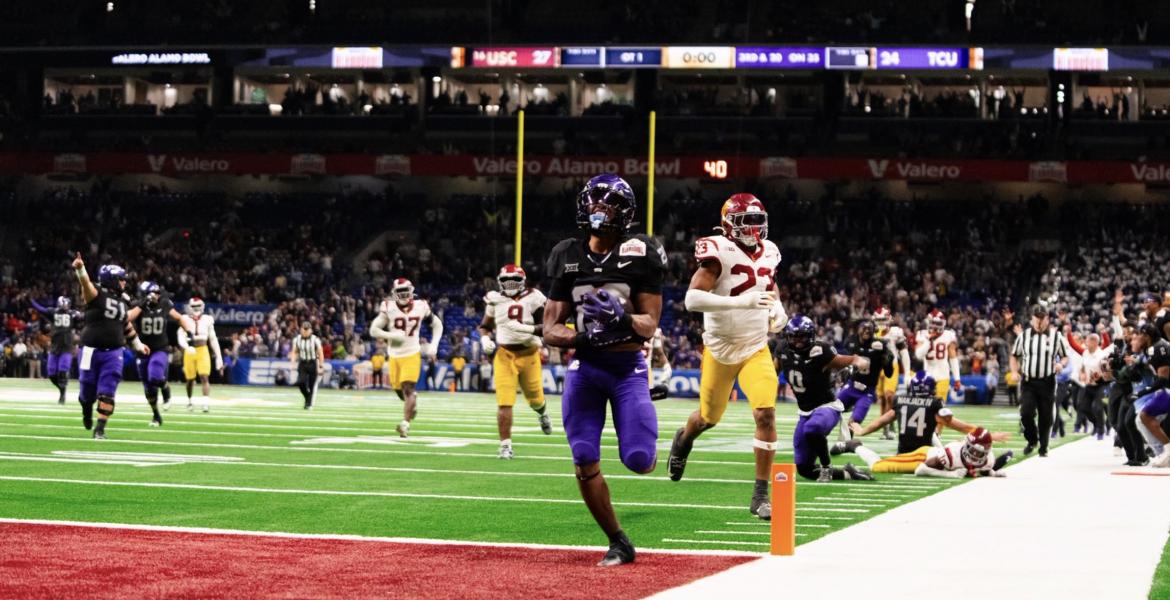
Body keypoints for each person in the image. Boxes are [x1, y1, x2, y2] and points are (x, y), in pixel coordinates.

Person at [541, 173, 666, 566]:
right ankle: (618, 540)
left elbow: (650, 323)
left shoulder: (641, 251)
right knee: (582, 456)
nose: (599, 209)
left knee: (640, 460)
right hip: (586, 367)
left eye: (608, 202)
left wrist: (622, 318)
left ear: (624, 211)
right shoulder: (567, 253)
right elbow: (548, 329)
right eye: (594, 200)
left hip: (628, 367)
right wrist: (583, 338)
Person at [667, 193, 786, 521]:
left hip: (755, 347)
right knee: (708, 418)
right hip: (719, 349)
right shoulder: (718, 251)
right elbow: (692, 299)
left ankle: (760, 494)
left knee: (765, 415)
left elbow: (769, 287)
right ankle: (684, 438)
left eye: (757, 221)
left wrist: (778, 309)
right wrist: (742, 303)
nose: (753, 228)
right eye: (746, 221)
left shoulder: (771, 250)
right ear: (729, 224)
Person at [776, 315, 874, 483]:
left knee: (813, 429)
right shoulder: (783, 349)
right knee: (804, 469)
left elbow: (856, 360)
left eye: (802, 336)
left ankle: (826, 467)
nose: (797, 341)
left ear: (811, 335)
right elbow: (771, 372)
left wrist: (857, 364)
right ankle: (847, 473)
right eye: (793, 336)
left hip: (827, 407)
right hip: (805, 411)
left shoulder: (821, 351)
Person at [840, 371, 1011, 462]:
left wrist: (862, 431)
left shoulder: (901, 400)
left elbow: (882, 421)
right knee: (954, 458)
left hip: (902, 455)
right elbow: (962, 427)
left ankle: (855, 445)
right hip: (925, 456)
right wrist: (989, 436)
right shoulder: (934, 404)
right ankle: (855, 447)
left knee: (937, 439)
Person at [71, 253, 150, 440]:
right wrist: (80, 269)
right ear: (112, 280)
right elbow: (86, 285)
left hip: (113, 352)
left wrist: (138, 344)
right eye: (121, 279)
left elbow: (125, 324)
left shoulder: (122, 301)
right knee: (87, 391)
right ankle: (86, 411)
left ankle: (100, 429)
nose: (124, 282)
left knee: (108, 389)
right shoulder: (96, 294)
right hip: (90, 350)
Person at [479, 263, 552, 459]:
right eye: (506, 281)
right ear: (499, 282)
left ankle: (542, 414)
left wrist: (526, 330)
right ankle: (505, 446)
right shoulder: (494, 299)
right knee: (504, 403)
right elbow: (485, 326)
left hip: (529, 354)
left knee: (536, 399)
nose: (510, 285)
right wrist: (485, 338)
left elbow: (547, 327)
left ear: (523, 281)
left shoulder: (534, 297)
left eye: (514, 281)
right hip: (504, 356)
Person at [369, 278, 443, 438]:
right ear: (394, 294)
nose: (403, 296)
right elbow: (374, 330)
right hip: (394, 355)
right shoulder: (388, 307)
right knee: (400, 391)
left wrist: (434, 345)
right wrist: (392, 335)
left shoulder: (421, 306)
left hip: (412, 353)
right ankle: (412, 403)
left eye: (405, 292)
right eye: (399, 292)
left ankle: (405, 424)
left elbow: (437, 324)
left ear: (411, 292)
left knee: (408, 388)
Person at [127, 281, 194, 426]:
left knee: (155, 375)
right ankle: (156, 415)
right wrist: (142, 304)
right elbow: (128, 318)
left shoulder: (164, 304)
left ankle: (165, 387)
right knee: (148, 388)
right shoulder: (140, 305)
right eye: (153, 293)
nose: (156, 296)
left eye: (157, 293)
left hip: (159, 348)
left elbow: (179, 317)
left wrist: (189, 332)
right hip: (143, 350)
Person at [1009, 305, 1071, 456]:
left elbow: (1065, 356)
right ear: (1032, 319)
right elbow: (1014, 355)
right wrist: (1014, 371)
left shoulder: (1056, 336)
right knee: (1025, 413)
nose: (1039, 322)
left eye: (1042, 319)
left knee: (1046, 416)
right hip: (1029, 381)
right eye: (1036, 318)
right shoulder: (1024, 336)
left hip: (1047, 382)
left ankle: (1044, 446)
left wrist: (1060, 364)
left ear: (1047, 320)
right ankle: (1032, 439)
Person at [836, 319, 894, 441]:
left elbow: (889, 374)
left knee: (855, 420)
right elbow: (842, 358)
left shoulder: (880, 346)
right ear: (858, 330)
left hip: (867, 391)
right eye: (864, 329)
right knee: (832, 408)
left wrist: (888, 361)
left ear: (874, 332)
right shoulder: (851, 341)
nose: (866, 332)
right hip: (851, 386)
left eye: (869, 329)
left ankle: (844, 442)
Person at [28, 295, 80, 404]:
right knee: (51, 374)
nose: (66, 306)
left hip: (66, 346)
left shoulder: (72, 314)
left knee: (63, 371)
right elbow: (40, 309)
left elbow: (83, 318)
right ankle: (62, 390)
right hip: (55, 346)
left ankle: (62, 394)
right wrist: (31, 300)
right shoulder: (54, 312)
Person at [176, 298, 223, 413]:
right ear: (189, 307)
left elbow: (213, 339)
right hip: (190, 350)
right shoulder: (185, 319)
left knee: (204, 376)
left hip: (203, 349)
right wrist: (187, 347)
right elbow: (180, 336)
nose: (196, 308)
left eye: (198, 306)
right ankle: (189, 401)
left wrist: (219, 356)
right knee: (190, 379)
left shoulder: (207, 319)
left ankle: (205, 403)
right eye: (194, 306)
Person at [1132, 323, 1170, 462]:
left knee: (1145, 416)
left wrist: (1143, 392)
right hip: (1164, 390)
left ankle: (1167, 451)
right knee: (1141, 419)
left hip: (1166, 390)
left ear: (1147, 336)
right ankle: (1162, 452)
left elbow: (1162, 378)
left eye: (1140, 334)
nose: (1137, 337)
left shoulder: (1159, 348)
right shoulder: (1152, 348)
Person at [873, 307, 911, 440]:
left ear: (889, 319)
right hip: (877, 369)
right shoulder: (871, 332)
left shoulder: (896, 332)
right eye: (879, 320)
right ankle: (886, 429)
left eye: (883, 319)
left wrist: (907, 373)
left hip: (891, 366)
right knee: (882, 399)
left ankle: (889, 424)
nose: (881, 322)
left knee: (889, 396)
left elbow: (904, 353)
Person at [914, 309, 962, 402]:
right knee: (927, 406)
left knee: (940, 406)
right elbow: (918, 355)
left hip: (943, 374)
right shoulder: (922, 334)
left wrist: (957, 378)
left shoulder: (949, 335)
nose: (936, 327)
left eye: (938, 324)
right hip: (927, 375)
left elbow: (953, 358)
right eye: (933, 323)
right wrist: (928, 341)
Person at [290, 322, 324, 409]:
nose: (305, 331)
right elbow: (294, 351)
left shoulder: (315, 339)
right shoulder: (297, 339)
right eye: (303, 329)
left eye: (307, 330)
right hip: (303, 363)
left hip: (312, 363)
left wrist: (321, 365)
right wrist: (293, 363)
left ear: (310, 330)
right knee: (300, 382)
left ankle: (308, 404)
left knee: (311, 385)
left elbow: (320, 352)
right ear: (301, 329)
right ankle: (307, 396)